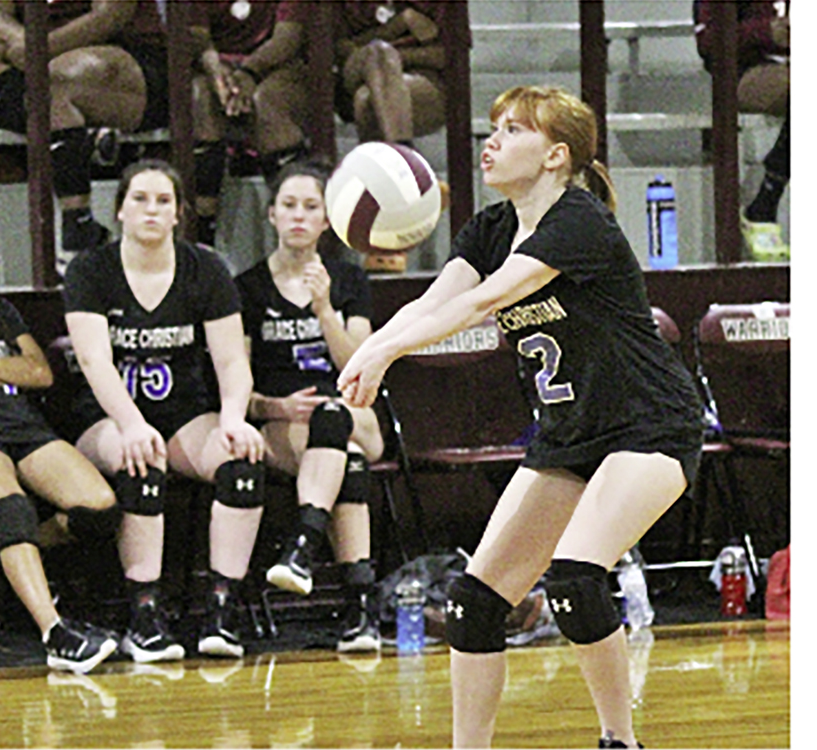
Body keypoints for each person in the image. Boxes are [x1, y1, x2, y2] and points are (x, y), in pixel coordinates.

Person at [336, 86, 705, 749]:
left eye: (513, 129)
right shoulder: (491, 228)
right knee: (473, 604)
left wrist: (388, 351)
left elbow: (484, 302)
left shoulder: (579, 221)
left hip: (648, 426)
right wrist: (371, 348)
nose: (493, 140)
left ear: (556, 155)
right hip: (568, 435)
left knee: (576, 579)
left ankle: (619, 740)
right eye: (494, 127)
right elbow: (434, 302)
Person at [63, 158, 268, 661]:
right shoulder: (91, 269)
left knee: (241, 460)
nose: (151, 210)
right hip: (107, 418)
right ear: (119, 210)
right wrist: (131, 424)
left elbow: (231, 359)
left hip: (184, 414)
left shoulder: (207, 269)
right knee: (141, 456)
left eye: (163, 201)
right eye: (140, 199)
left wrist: (234, 417)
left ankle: (221, 610)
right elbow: (93, 359)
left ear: (179, 214)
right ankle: (144, 616)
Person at [235, 160, 387, 653]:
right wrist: (273, 406)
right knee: (351, 465)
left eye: (310, 207)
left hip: (353, 411)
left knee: (334, 415)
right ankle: (360, 610)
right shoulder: (247, 288)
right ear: (272, 215)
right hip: (287, 422)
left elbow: (358, 367)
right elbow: (237, 384)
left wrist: (324, 310)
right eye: (289, 205)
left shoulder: (348, 279)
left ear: (326, 219)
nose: (299, 216)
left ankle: (302, 543)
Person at [0, 235, 122, 674]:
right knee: (11, 508)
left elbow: (39, 372)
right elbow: (19, 370)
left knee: (98, 507)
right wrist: (4, 372)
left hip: (21, 424)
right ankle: (55, 632)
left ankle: (13, 553)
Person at [0, 0, 170, 271]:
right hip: (31, 56)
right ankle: (80, 152)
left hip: (122, 54)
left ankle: (75, 214)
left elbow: (112, 15)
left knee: (53, 80)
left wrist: (41, 49)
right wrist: (24, 41)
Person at [188, 0, 313, 247]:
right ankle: (202, 236)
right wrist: (217, 72)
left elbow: (288, 37)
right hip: (217, 66)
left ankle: (299, 237)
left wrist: (249, 72)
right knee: (200, 95)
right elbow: (198, 37)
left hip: (275, 66)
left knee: (268, 102)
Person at [695, 0, 791, 261]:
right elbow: (708, 41)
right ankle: (766, 199)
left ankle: (767, 194)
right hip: (747, 69)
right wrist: (765, 32)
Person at [334, 1, 448, 145]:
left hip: (424, 81)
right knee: (376, 53)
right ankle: (402, 149)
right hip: (357, 72)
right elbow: (340, 49)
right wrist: (397, 26)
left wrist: (392, 57)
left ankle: (392, 150)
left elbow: (447, 56)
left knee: (367, 100)